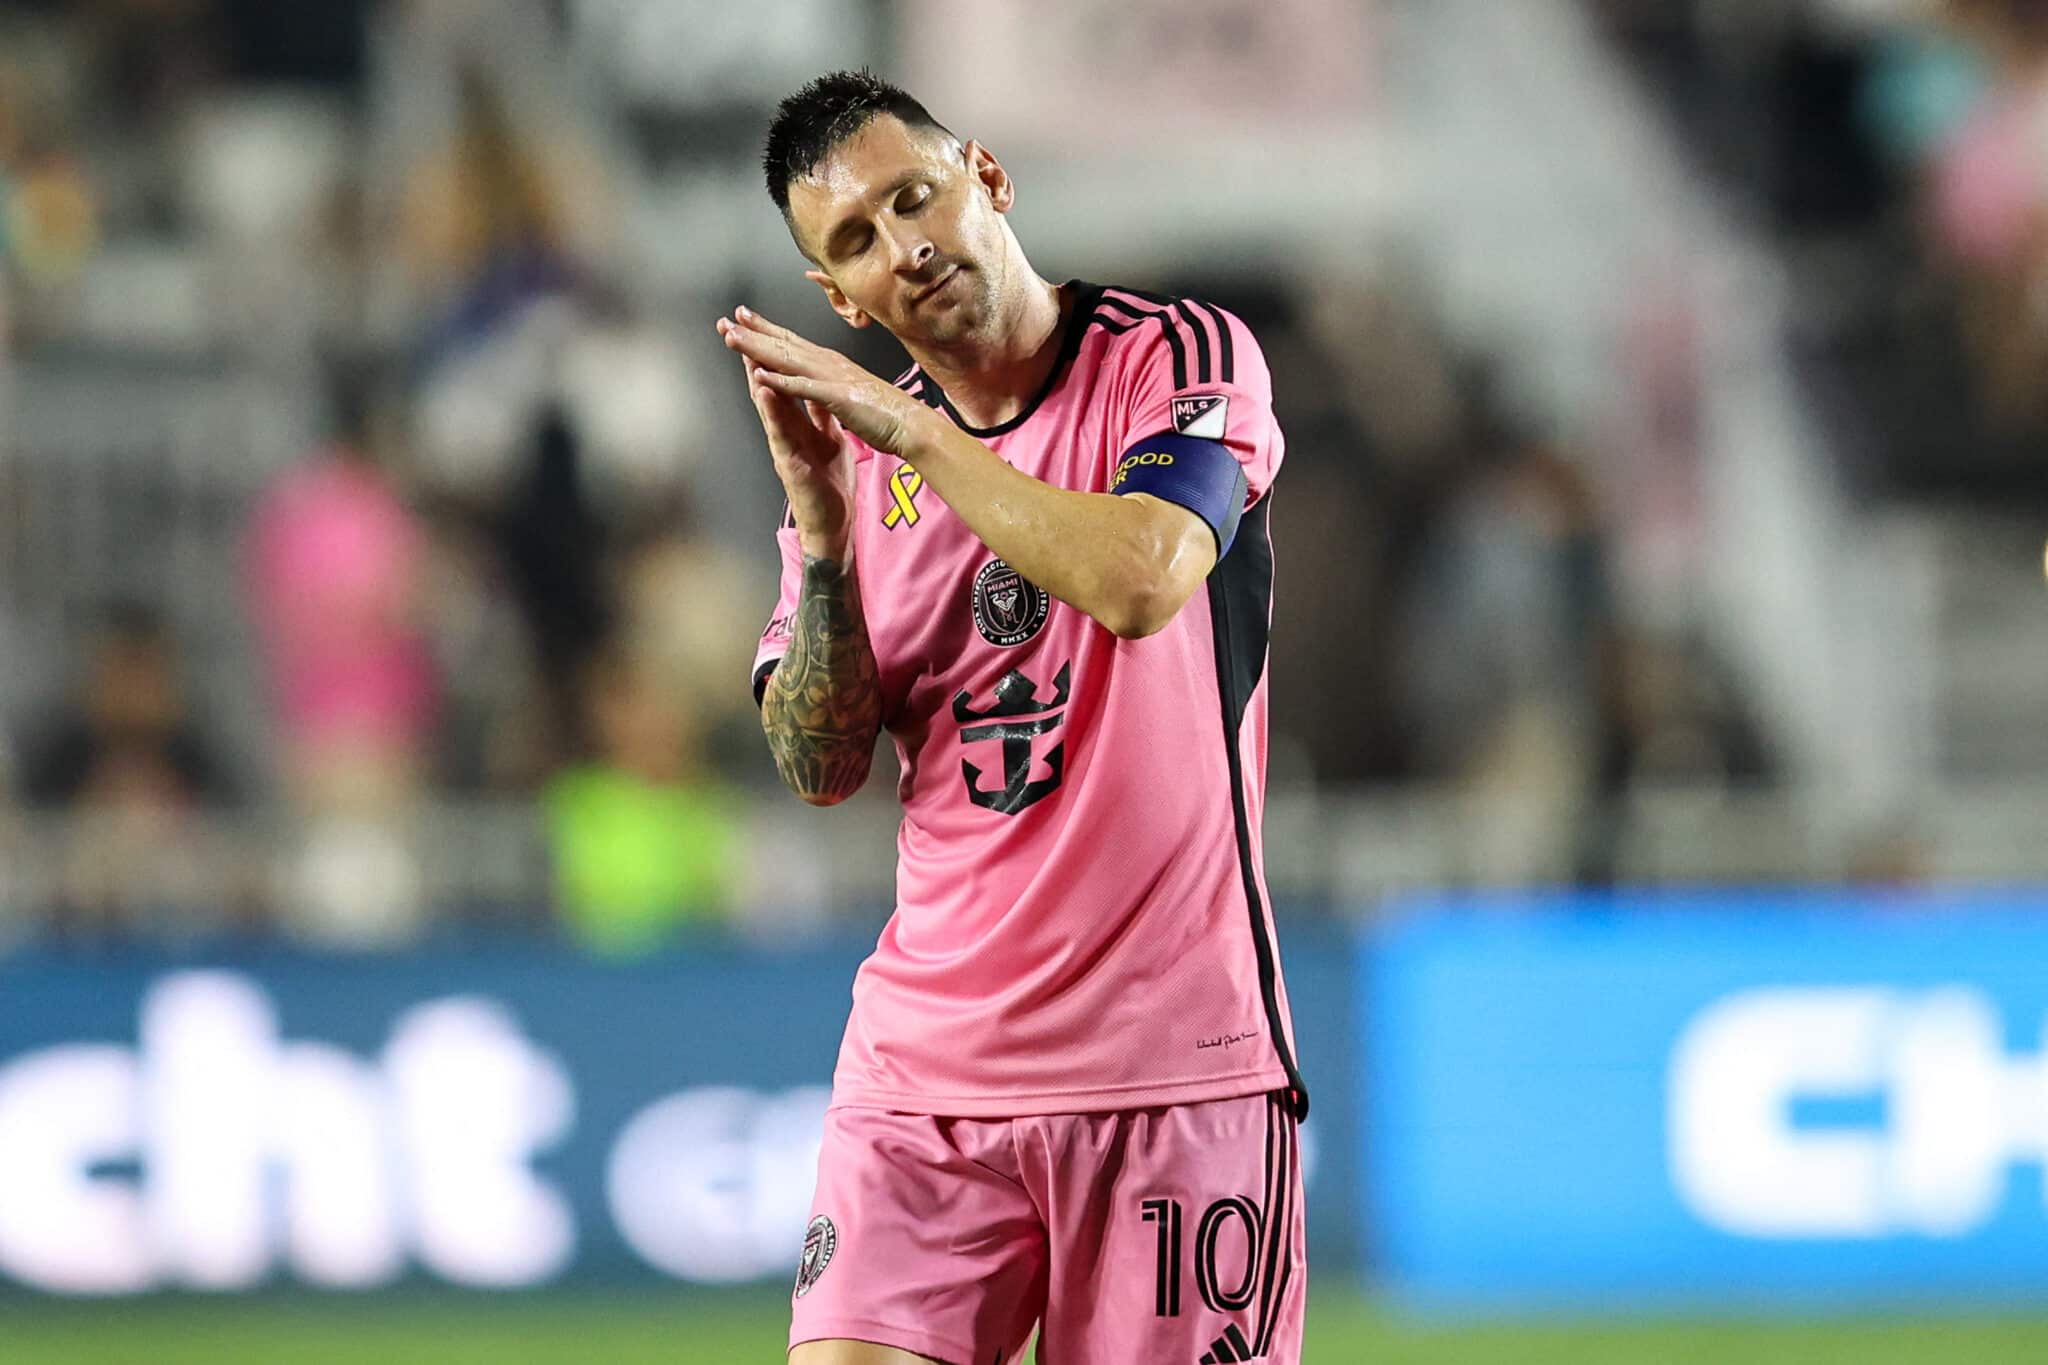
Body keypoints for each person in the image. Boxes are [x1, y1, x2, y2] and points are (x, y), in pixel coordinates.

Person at [720, 70, 1307, 1365]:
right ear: (838, 300)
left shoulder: (1174, 357)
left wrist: (917, 442)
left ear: (986, 175)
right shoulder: (861, 468)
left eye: (913, 198)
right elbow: (820, 764)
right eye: (858, 243)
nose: (905, 248)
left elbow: (1144, 577)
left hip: (1171, 1072)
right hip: (924, 1083)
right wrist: (822, 538)